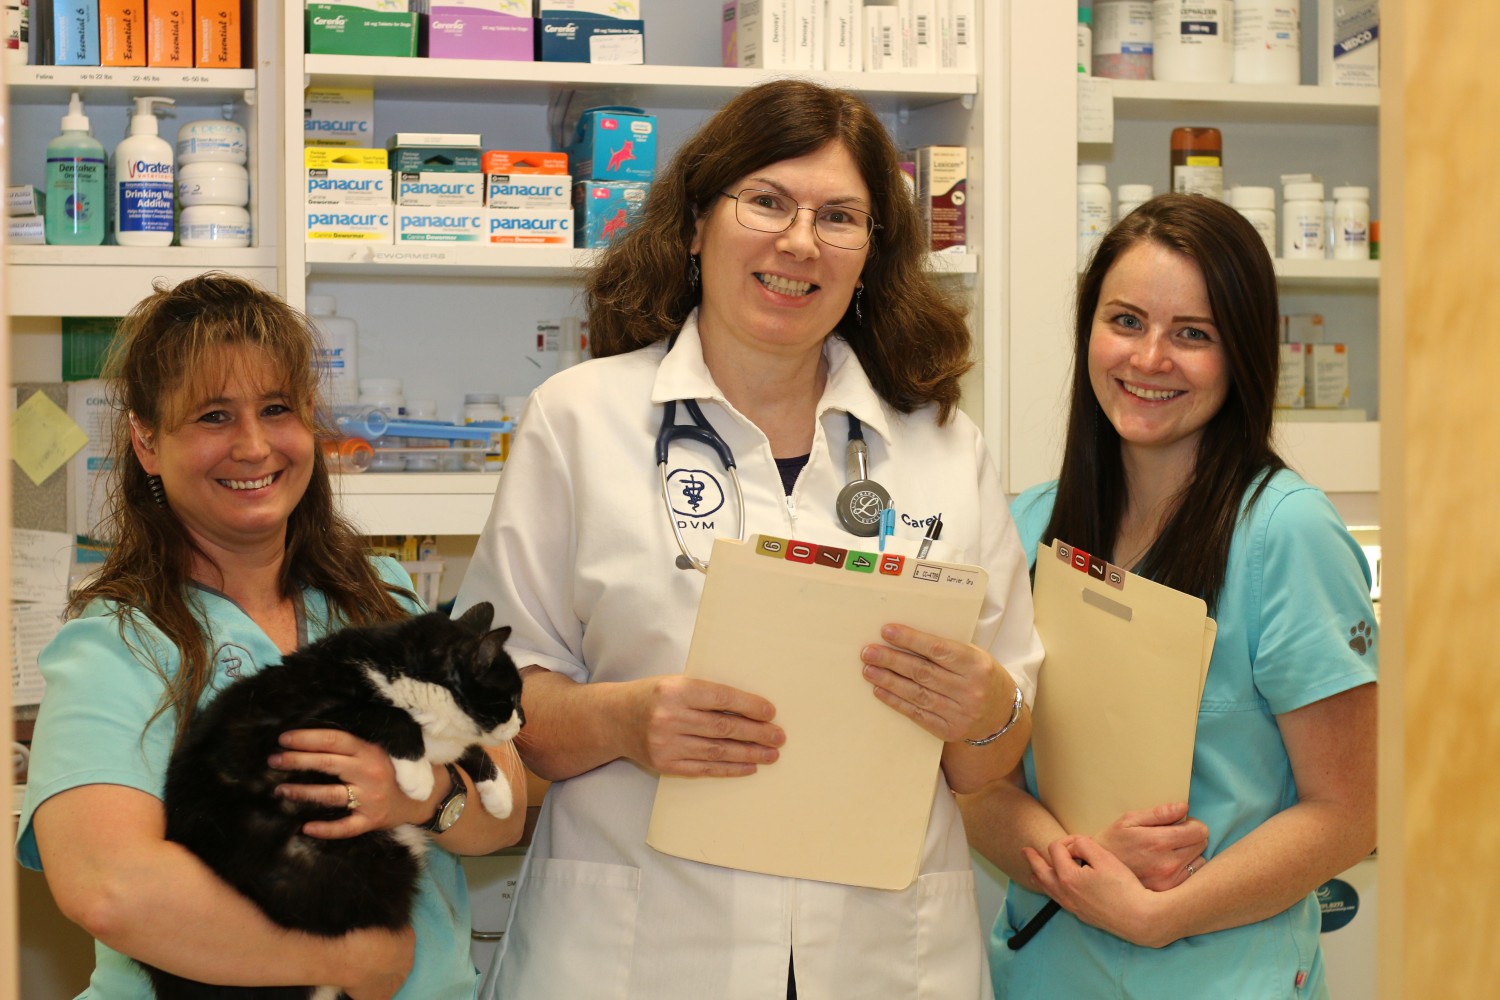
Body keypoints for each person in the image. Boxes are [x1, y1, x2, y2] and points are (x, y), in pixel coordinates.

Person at [454, 79, 1043, 999]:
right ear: (695, 224)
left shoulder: (941, 446)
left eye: (840, 217)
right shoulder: (578, 421)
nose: (800, 242)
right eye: (766, 201)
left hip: (884, 957)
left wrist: (987, 707)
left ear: (869, 256)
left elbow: (987, 758)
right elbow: (497, 708)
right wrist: (622, 720)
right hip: (641, 951)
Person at [15, 272, 526, 999]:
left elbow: (505, 803)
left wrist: (417, 796)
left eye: (277, 409)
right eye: (213, 417)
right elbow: (111, 887)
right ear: (147, 442)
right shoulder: (116, 644)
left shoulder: (380, 596)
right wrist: (340, 962)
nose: (254, 447)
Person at [960, 194, 1378, 998]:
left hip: (1224, 974)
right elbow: (981, 784)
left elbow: (1345, 813)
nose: (1149, 359)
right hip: (1047, 968)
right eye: (1125, 321)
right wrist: (1080, 866)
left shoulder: (1284, 534)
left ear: (1243, 354)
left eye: (1193, 334)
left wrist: (1160, 915)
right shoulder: (1029, 524)